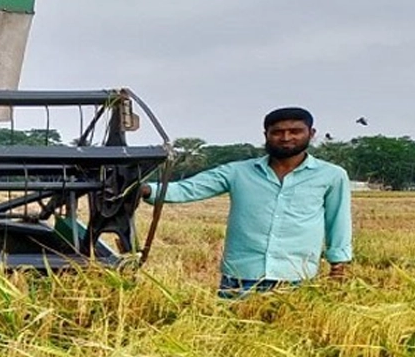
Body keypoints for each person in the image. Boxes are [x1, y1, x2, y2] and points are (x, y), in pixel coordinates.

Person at [142, 107, 352, 298]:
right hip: (240, 277)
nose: (286, 137)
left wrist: (338, 266)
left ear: (311, 133)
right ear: (266, 135)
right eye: (277, 132)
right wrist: (144, 189)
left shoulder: (331, 176)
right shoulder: (238, 172)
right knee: (230, 334)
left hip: (296, 277)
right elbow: (190, 188)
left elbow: (338, 221)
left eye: (295, 131)